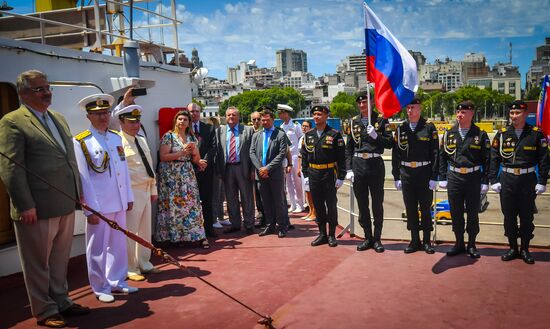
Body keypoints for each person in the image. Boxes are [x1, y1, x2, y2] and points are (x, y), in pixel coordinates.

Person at [0, 70, 89, 328]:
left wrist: (77, 192)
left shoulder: (57, 118)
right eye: (40, 89)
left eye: (48, 87)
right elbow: (11, 168)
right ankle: (45, 309)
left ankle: (62, 300)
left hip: (63, 202)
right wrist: (24, 204)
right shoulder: (12, 121)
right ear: (23, 93)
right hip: (35, 207)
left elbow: (69, 160)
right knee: (37, 262)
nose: (47, 92)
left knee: (60, 258)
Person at [73, 93, 137, 304]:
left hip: (118, 201)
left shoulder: (115, 137)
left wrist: (128, 197)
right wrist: (89, 209)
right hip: (99, 204)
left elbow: (123, 171)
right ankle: (100, 286)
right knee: (98, 247)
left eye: (105, 113)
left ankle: (117, 281)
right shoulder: (81, 141)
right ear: (89, 116)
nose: (102, 117)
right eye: (97, 114)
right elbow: (83, 179)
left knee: (118, 244)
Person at [489, 100, 549, 264]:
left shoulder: (536, 134)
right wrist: (493, 179)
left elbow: (544, 160)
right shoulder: (502, 134)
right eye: (512, 113)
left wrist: (542, 180)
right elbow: (493, 158)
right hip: (507, 180)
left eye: (517, 113)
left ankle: (525, 249)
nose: (514, 116)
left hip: (527, 180)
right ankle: (512, 248)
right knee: (508, 216)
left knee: (526, 217)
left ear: (525, 114)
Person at [112, 102, 161, 282]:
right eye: (131, 122)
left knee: (145, 230)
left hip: (146, 190)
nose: (135, 125)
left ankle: (144, 262)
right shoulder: (117, 141)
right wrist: (124, 196)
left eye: (137, 121)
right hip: (131, 193)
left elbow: (149, 166)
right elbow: (119, 173)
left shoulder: (141, 139)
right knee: (130, 231)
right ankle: (130, 267)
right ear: (121, 122)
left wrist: (153, 188)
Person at [438, 100, 490, 258]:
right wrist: (442, 177)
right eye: (458, 112)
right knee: (456, 212)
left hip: (473, 178)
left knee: (473, 213)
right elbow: (442, 156)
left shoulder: (480, 134)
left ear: (471, 114)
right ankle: (458, 243)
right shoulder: (449, 133)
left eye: (463, 112)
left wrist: (485, 181)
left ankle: (472, 244)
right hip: (454, 178)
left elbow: (487, 160)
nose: (459, 115)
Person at [345, 92, 393, 253]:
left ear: (371, 102)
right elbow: (349, 148)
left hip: (375, 164)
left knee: (377, 203)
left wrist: (376, 135)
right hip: (358, 164)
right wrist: (349, 169)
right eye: (359, 103)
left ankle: (377, 239)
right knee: (362, 204)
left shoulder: (381, 120)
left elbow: (389, 143)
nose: (362, 105)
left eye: (365, 102)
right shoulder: (353, 122)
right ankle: (367, 237)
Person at [154, 110, 209, 248]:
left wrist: (196, 154)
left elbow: (196, 159)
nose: (182, 122)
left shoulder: (192, 138)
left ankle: (192, 235)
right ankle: (174, 237)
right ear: (175, 121)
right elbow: (163, 157)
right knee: (173, 206)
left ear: (189, 122)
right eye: (180, 119)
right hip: (171, 176)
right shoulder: (169, 136)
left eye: (185, 119)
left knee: (190, 205)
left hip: (187, 174)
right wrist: (181, 153)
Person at [391, 98, 439, 254]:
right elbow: (396, 154)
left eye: (413, 107)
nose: (410, 110)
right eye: (408, 107)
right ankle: (414, 240)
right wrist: (396, 176)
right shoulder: (401, 128)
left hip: (424, 173)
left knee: (425, 208)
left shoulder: (429, 128)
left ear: (420, 108)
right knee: (410, 208)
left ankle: (426, 241)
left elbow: (435, 153)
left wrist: (434, 176)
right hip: (406, 174)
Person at [301, 105, 346, 247]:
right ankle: (322, 234)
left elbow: (342, 158)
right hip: (314, 174)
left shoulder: (334, 134)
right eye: (314, 114)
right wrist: (306, 174)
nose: (316, 117)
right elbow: (304, 156)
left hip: (329, 173)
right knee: (318, 205)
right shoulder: (309, 135)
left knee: (331, 204)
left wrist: (341, 176)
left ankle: (332, 234)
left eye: (319, 114)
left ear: (326, 116)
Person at [215, 106, 255, 234]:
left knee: (247, 197)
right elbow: (217, 152)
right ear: (225, 117)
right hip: (227, 169)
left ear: (239, 116)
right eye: (229, 115)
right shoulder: (219, 132)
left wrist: (253, 170)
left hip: (243, 168)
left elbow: (253, 152)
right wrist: (219, 171)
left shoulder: (248, 130)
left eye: (234, 115)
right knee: (231, 198)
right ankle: (235, 224)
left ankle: (249, 224)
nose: (231, 117)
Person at [250, 107, 289, 237]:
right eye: (263, 120)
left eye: (267, 120)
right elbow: (252, 152)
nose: (265, 122)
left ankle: (282, 226)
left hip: (275, 174)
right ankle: (270, 226)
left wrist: (268, 168)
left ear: (273, 120)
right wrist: (261, 168)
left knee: (279, 202)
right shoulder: (256, 135)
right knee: (265, 202)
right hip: (261, 175)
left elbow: (282, 153)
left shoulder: (280, 134)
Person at [188, 102, 218, 237]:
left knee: (207, 200)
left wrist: (203, 162)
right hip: (189, 171)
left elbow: (213, 147)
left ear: (200, 113)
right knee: (190, 201)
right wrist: (196, 162)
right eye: (191, 111)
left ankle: (209, 229)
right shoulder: (183, 128)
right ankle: (192, 230)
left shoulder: (209, 128)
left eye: (196, 111)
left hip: (206, 170)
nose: (194, 114)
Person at [278, 104, 305, 213]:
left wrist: (300, 157)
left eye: (281, 113)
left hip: (294, 156)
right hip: (285, 157)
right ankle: (292, 203)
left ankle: (300, 204)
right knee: (288, 182)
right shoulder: (281, 127)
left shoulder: (296, 126)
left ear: (286, 113)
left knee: (297, 182)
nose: (279, 115)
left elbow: (301, 140)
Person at [297, 120, 316, 221]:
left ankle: (314, 212)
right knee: (307, 191)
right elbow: (300, 155)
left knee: (311, 191)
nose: (304, 128)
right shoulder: (301, 139)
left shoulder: (312, 137)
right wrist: (299, 168)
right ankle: (310, 211)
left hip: (311, 168)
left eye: (306, 126)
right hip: (304, 168)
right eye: (303, 126)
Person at [250, 110, 266, 228]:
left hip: (267, 169)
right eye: (254, 119)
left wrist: (289, 164)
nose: (256, 121)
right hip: (253, 169)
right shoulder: (248, 132)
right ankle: (261, 216)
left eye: (258, 119)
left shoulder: (269, 131)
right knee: (257, 195)